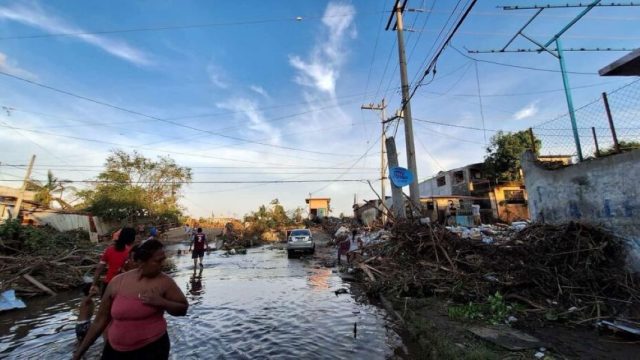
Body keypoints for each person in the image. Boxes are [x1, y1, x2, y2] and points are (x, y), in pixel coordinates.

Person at [73, 240, 189, 360]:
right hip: (114, 350)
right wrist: (79, 353)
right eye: (158, 261)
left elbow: (183, 309)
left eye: (163, 259)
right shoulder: (117, 282)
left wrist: (162, 302)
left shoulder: (165, 282)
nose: (162, 264)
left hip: (152, 349)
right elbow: (100, 320)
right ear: (141, 262)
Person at [92, 227, 136, 295]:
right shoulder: (131, 252)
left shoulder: (109, 250)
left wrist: (93, 284)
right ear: (132, 238)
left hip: (108, 285)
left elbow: (99, 268)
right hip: (124, 287)